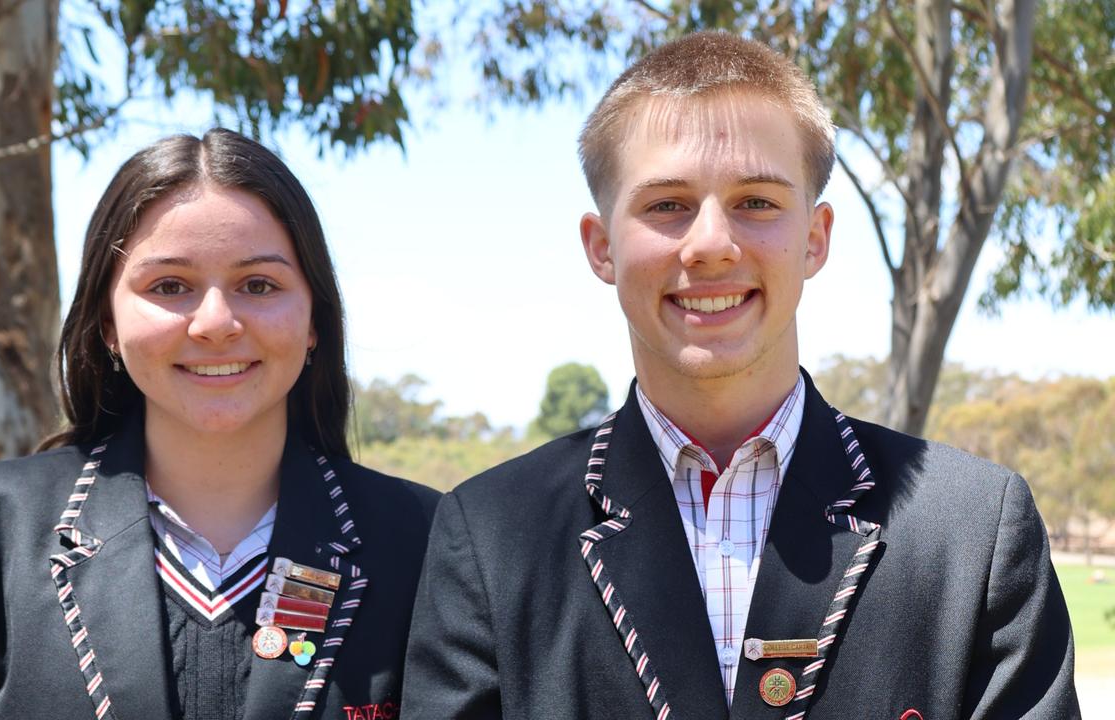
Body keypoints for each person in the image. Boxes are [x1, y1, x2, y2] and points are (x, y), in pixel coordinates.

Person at [401, 32, 1078, 719]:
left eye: (756, 201)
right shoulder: (487, 536)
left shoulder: (973, 531)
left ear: (815, 239)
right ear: (601, 247)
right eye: (666, 205)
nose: (712, 245)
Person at [0, 129, 439, 720]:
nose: (216, 322)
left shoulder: (427, 541)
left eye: (259, 285)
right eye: (170, 286)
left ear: (315, 320)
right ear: (106, 324)